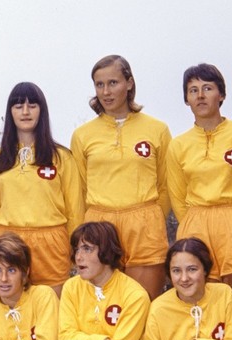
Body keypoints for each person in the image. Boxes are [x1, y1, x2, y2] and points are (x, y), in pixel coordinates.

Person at [70, 55, 172, 299]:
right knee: (104, 306)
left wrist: (151, 219)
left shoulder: (157, 129)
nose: (106, 91)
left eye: (113, 83)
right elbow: (78, 189)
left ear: (129, 83)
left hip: (144, 225)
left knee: (144, 303)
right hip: (99, 224)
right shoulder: (83, 135)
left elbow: (167, 185)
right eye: (99, 84)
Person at [166, 64, 232, 291]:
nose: (200, 96)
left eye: (207, 88)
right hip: (197, 224)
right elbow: (177, 196)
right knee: (204, 301)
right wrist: (197, 221)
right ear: (186, 99)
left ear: (221, 94)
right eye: (193, 90)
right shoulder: (178, 145)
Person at [0, 82, 84, 296]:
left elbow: (75, 211)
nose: (26, 111)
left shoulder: (61, 157)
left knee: (51, 314)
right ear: (10, 112)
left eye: (33, 105)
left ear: (42, 110)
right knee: (12, 316)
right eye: (19, 105)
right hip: (9, 243)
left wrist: (73, 250)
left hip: (51, 246)